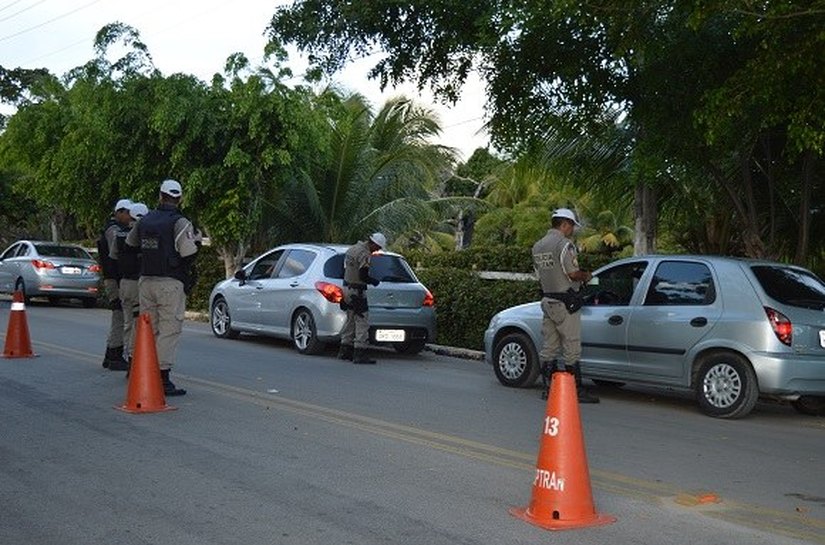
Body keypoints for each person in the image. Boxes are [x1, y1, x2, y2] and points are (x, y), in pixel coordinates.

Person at [125, 180, 198, 396]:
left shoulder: (145, 220)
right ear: (180, 198)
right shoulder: (180, 222)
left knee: (148, 330)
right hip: (170, 283)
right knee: (169, 329)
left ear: (160, 196)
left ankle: (142, 372)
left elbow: (130, 246)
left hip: (146, 282)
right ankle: (162, 378)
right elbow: (188, 253)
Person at [532, 208, 599, 404]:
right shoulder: (564, 245)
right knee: (571, 345)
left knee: (550, 346)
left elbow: (539, 275)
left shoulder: (537, 246)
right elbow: (572, 273)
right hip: (566, 302)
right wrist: (587, 276)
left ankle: (548, 388)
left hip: (548, 301)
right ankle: (575, 390)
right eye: (571, 226)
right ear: (564, 225)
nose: (572, 230)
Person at [337, 232, 386, 364]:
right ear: (373, 243)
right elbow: (363, 275)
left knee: (350, 319)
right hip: (357, 291)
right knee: (362, 321)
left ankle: (344, 351)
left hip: (347, 288)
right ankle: (360, 353)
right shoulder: (364, 253)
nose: (377, 250)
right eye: (378, 247)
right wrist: (373, 281)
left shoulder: (352, 249)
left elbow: (344, 270)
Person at [111, 202, 148, 368]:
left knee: (128, 323)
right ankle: (137, 356)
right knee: (141, 323)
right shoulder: (146, 234)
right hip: (141, 283)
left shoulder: (119, 234)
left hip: (125, 282)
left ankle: (129, 355)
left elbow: (113, 257)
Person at [98, 198, 132, 371]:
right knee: (120, 316)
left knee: (118, 316)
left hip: (114, 277)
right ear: (119, 212)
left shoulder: (114, 228)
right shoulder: (113, 230)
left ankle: (111, 354)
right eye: (127, 213)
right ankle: (114, 354)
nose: (130, 216)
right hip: (114, 278)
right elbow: (116, 256)